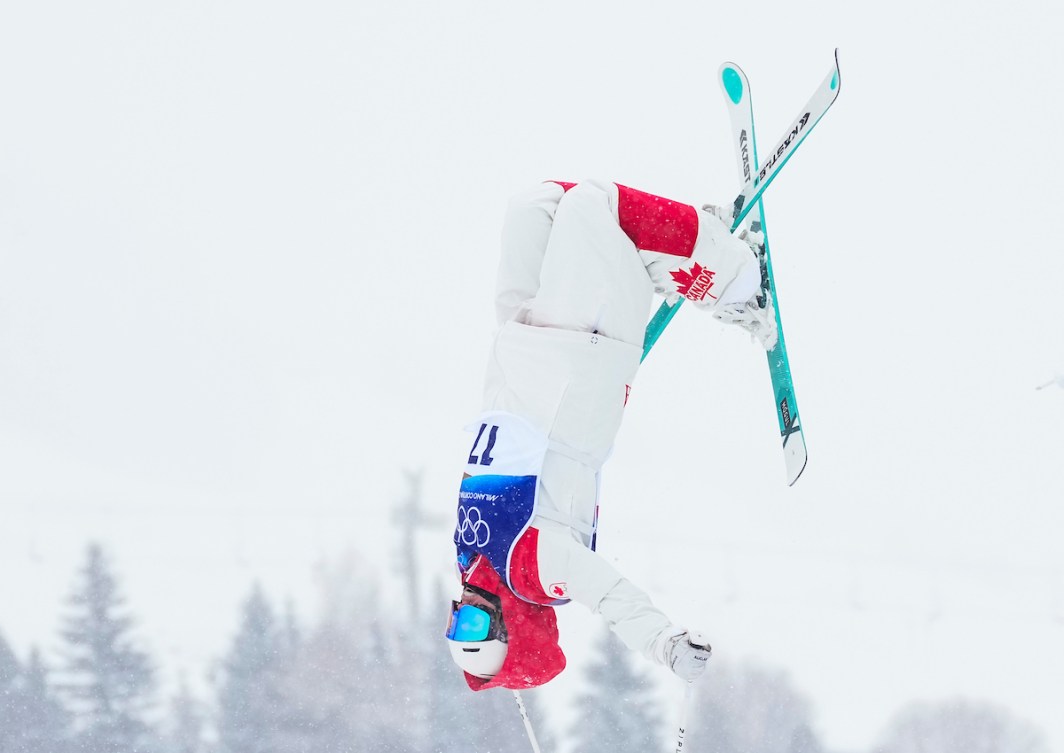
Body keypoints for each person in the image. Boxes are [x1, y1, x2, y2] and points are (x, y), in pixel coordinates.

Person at [445, 179, 775, 691]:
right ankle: (735, 281)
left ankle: (664, 259)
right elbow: (609, 594)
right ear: (518, 630)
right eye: (475, 627)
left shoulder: (471, 559)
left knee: (534, 205)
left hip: (520, 347)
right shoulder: (535, 570)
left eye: (455, 621)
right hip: (579, 355)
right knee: (590, 207)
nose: (466, 611)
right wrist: (665, 644)